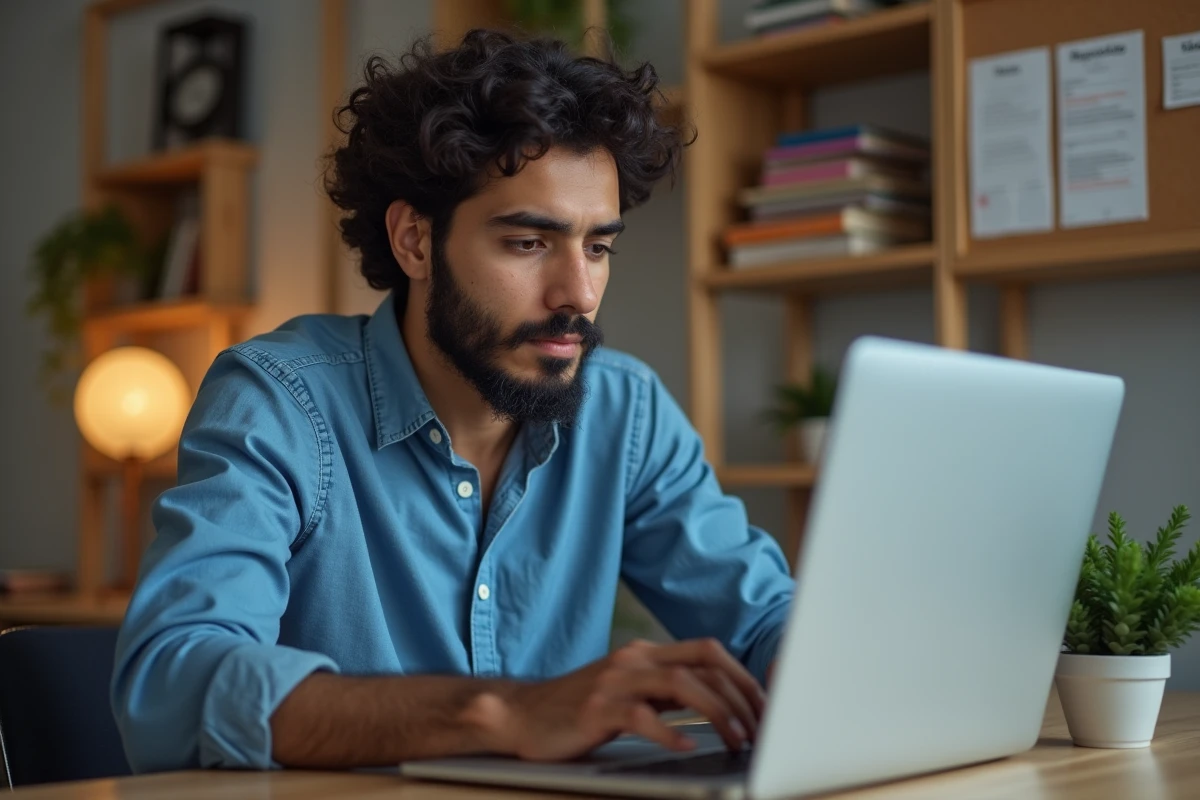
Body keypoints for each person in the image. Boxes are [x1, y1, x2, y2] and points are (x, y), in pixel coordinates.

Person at [111, 29, 795, 773]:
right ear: (413, 241)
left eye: (598, 247)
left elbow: (764, 616)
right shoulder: (280, 402)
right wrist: (502, 714)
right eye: (529, 244)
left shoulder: (625, 412)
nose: (579, 294)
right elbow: (173, 683)